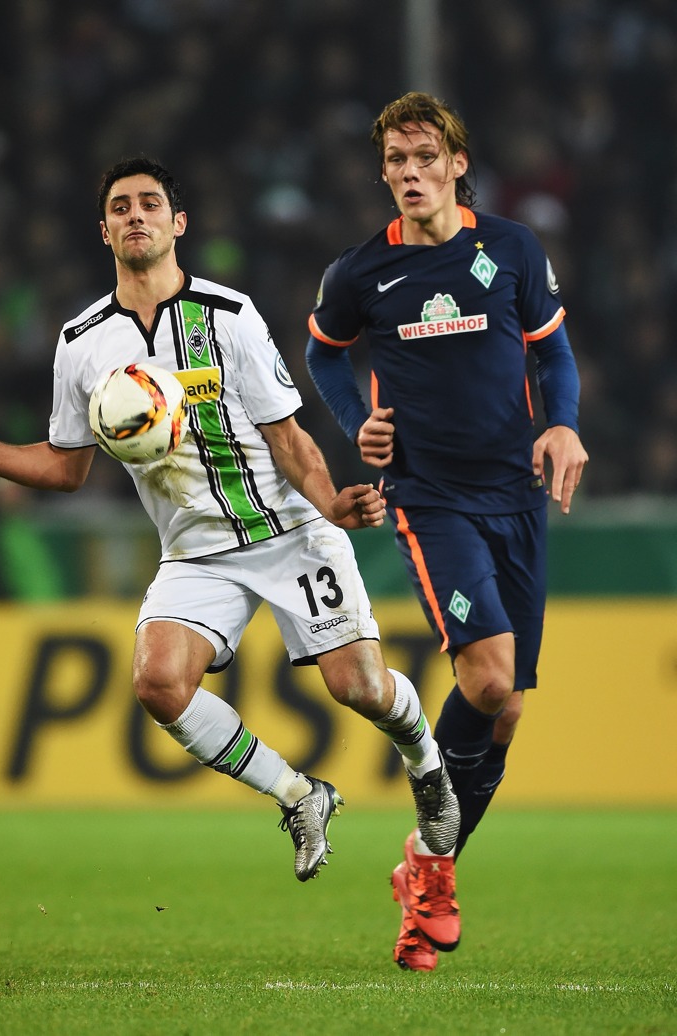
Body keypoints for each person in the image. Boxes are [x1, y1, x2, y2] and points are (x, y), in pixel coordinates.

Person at [0, 155, 460, 889]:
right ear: (103, 231)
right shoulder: (81, 343)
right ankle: (300, 795)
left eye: (149, 204)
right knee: (158, 684)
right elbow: (67, 469)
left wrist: (330, 502)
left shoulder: (229, 316)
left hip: (290, 532)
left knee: (357, 688)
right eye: (119, 207)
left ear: (179, 223)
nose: (134, 215)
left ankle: (426, 765)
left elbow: (288, 438)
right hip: (196, 553)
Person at [305, 93, 588, 969]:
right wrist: (358, 422)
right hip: (429, 500)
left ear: (457, 164)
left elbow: (552, 350)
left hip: (517, 494)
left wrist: (563, 423)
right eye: (396, 161)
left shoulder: (510, 249)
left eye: (425, 156)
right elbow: (323, 351)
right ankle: (433, 852)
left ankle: (427, 871)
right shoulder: (361, 272)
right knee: (490, 675)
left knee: (502, 716)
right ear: (383, 173)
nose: (410, 173)